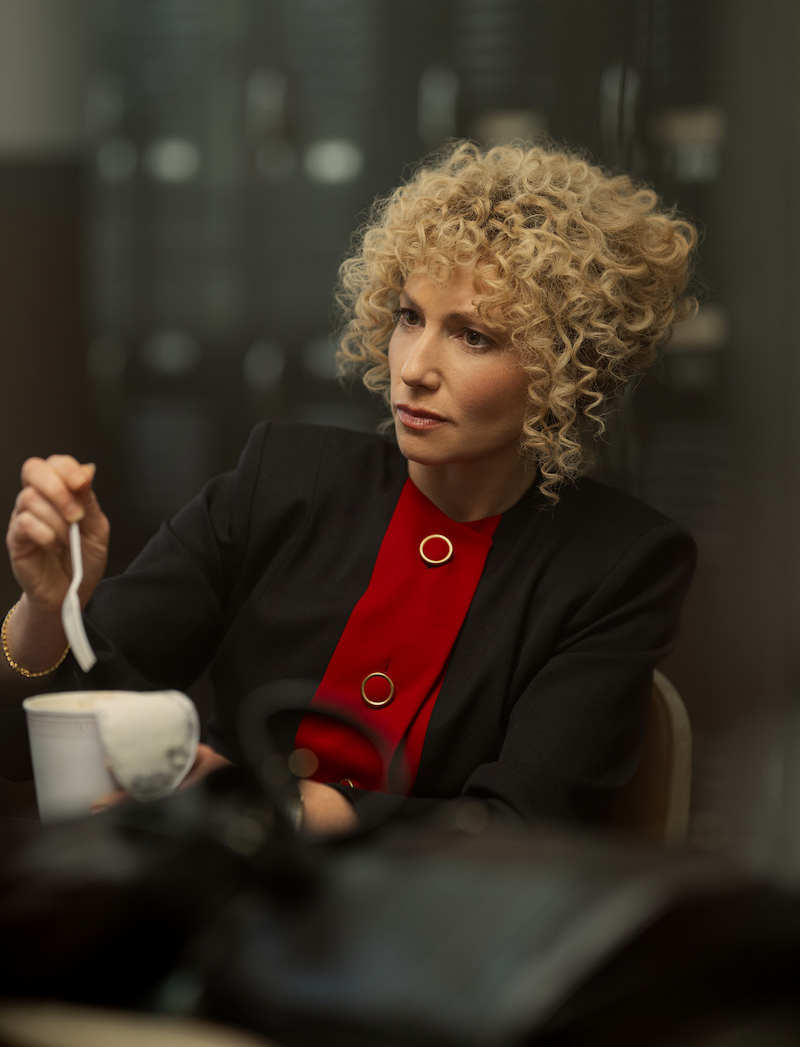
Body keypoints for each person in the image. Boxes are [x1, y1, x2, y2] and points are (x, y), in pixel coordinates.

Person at [2, 140, 698, 836]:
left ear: (570, 369)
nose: (415, 368)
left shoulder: (621, 561)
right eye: (409, 317)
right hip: (222, 906)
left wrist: (266, 809)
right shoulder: (282, 478)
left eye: (474, 336)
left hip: (430, 928)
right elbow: (39, 737)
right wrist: (49, 608)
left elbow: (526, 827)